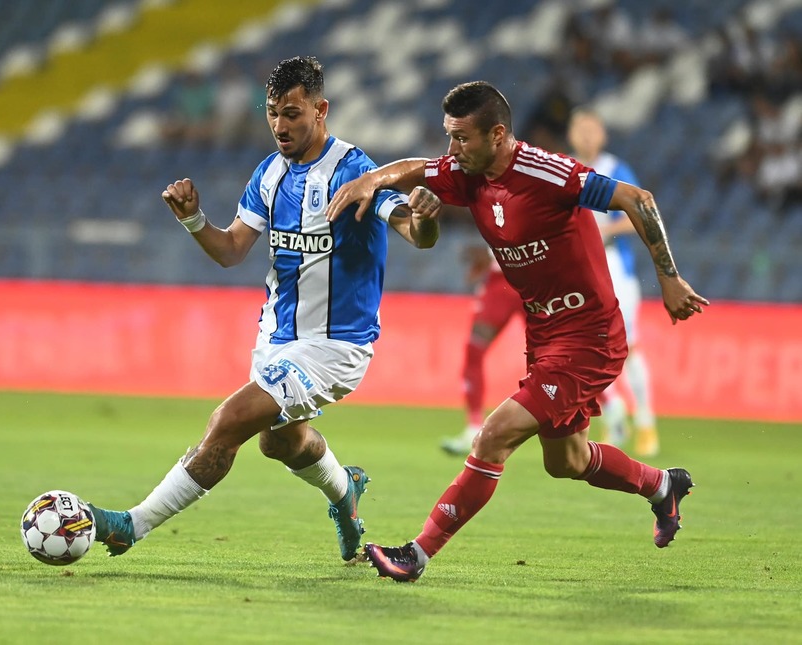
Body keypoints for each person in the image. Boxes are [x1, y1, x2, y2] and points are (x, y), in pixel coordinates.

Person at [325, 81, 708, 582]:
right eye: (449, 137)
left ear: (498, 134)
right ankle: (662, 486)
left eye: (461, 138)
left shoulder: (549, 173)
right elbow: (417, 167)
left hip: (589, 338)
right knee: (566, 460)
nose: (452, 150)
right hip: (546, 336)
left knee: (493, 437)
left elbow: (638, 199)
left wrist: (668, 277)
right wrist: (371, 180)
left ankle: (414, 555)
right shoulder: (469, 174)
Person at [86, 56, 442, 564]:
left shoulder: (353, 169)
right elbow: (232, 249)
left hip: (335, 344)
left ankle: (131, 525)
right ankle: (345, 492)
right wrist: (193, 220)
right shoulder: (270, 173)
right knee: (279, 444)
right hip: (276, 340)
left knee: (228, 421)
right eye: (273, 112)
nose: (280, 125)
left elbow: (414, 232)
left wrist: (427, 218)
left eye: (292, 113)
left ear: (321, 110)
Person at [566, 107, 659, 457]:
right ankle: (613, 417)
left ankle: (646, 421)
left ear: (603, 134)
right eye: (581, 129)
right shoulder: (564, 168)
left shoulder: (615, 169)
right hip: (577, 274)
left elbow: (638, 213)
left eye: (593, 129)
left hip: (615, 271)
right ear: (572, 134)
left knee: (629, 346)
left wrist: (600, 229)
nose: (587, 135)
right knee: (584, 348)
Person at [440, 246, 524, 456]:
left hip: (534, 277)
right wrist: (489, 255)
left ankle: (610, 408)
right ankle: (473, 428)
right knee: (474, 350)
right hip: (500, 282)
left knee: (554, 350)